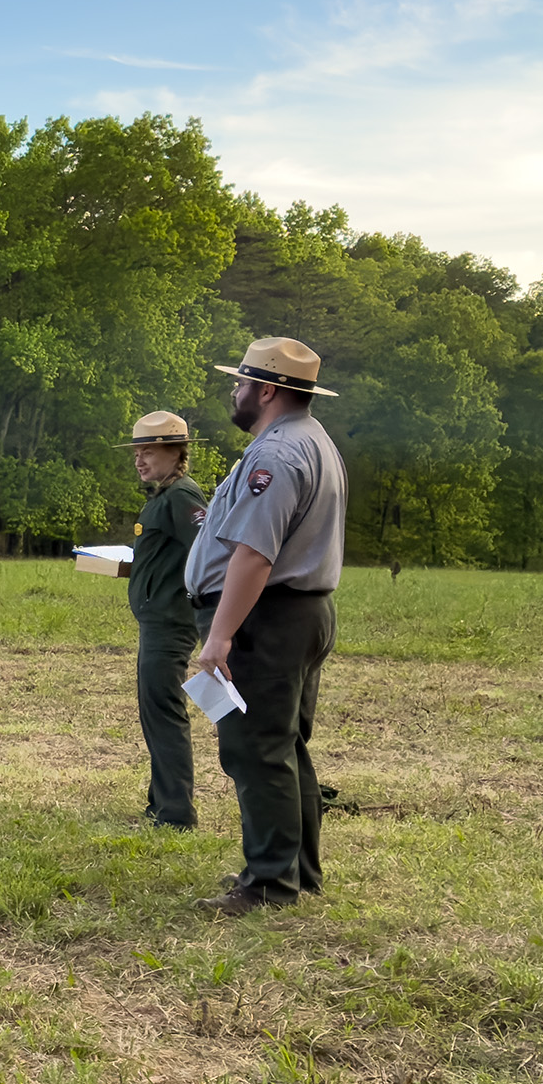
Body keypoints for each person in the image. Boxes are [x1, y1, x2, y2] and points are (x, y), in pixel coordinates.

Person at [185, 337, 351, 916]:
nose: (235, 391)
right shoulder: (311, 442)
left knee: (256, 750)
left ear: (268, 390)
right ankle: (294, 873)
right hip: (294, 614)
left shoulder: (276, 455)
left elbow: (255, 554)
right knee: (284, 747)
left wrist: (221, 634)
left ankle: (267, 887)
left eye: (241, 382)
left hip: (267, 618)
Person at [122, 411, 204, 831]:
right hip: (156, 619)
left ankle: (175, 813)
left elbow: (209, 550)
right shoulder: (161, 495)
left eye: (149, 452)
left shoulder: (181, 497)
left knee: (164, 711)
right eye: (137, 452)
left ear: (176, 452)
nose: (139, 460)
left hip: (170, 622)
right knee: (153, 711)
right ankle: (161, 803)